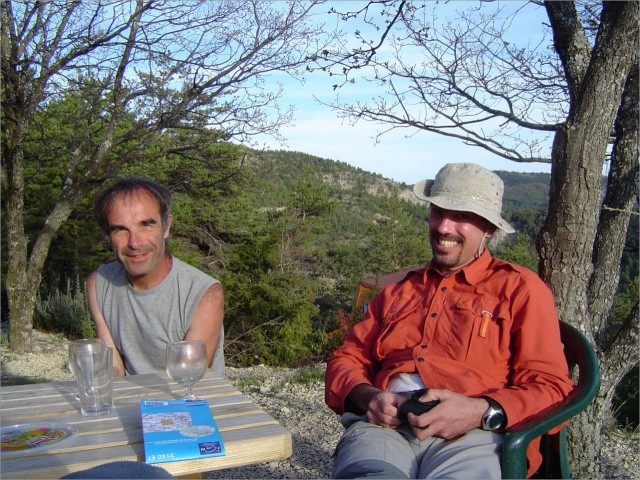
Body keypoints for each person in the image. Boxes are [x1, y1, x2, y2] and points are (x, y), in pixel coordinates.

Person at [325, 163, 574, 479]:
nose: (444, 227)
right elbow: (347, 358)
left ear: (488, 228)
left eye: (462, 216)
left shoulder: (519, 289)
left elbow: (552, 386)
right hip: (386, 430)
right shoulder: (399, 291)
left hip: (475, 437)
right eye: (438, 212)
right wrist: (368, 397)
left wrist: (481, 410)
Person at [87, 176, 224, 377]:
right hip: (130, 395)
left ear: (166, 227)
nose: (134, 243)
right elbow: (113, 369)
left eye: (146, 225)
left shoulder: (203, 293)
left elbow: (189, 378)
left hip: (189, 395)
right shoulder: (99, 284)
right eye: (120, 230)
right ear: (108, 234)